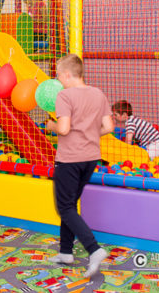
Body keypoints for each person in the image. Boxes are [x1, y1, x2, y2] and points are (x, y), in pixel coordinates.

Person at [45, 54, 114, 278]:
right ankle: (66, 252)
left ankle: (94, 249)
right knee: (70, 205)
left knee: (64, 208)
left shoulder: (65, 95)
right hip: (90, 158)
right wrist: (88, 134)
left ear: (67, 74)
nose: (58, 80)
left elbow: (64, 129)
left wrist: (51, 126)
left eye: (58, 75)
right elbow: (109, 127)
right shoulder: (98, 93)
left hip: (69, 159)